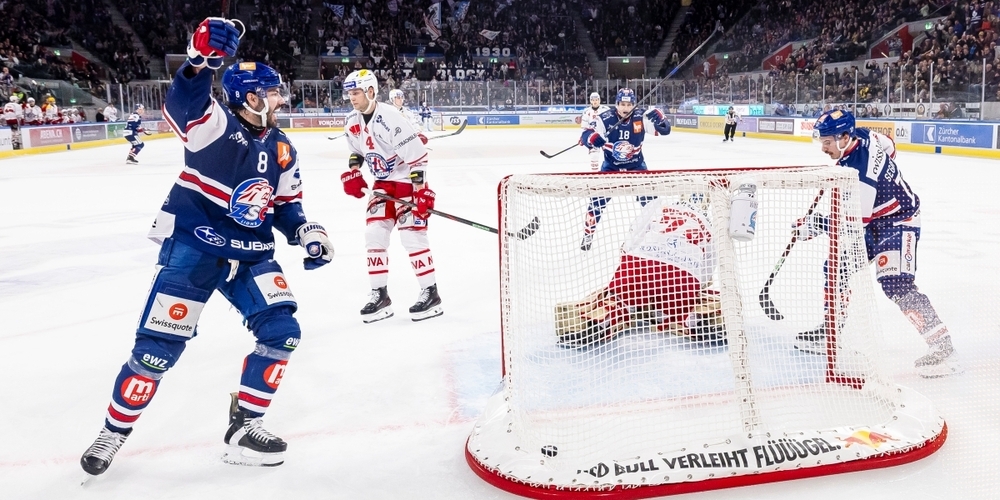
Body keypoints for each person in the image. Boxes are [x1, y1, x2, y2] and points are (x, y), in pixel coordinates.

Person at [79, 17, 334, 478]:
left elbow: (285, 205)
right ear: (251, 98)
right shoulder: (213, 126)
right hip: (196, 246)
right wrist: (198, 63)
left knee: (282, 332)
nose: (281, 98)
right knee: (157, 350)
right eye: (273, 92)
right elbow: (185, 101)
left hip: (252, 252)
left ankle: (244, 426)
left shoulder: (283, 149)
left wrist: (305, 231)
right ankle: (113, 431)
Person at [800, 109, 960, 378]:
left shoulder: (861, 175)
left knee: (896, 282)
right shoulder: (862, 135)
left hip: (899, 221)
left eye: (827, 142)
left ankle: (945, 349)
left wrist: (817, 224)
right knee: (837, 267)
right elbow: (890, 146)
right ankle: (832, 331)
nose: (823, 148)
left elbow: (854, 223)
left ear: (843, 137)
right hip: (875, 219)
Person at [340, 69, 442, 323]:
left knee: (412, 236)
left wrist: (421, 193)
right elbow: (357, 152)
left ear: (371, 91)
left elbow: (417, 157)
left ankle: (431, 293)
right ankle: (380, 294)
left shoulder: (391, 118)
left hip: (407, 182)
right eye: (349, 93)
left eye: (356, 92)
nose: (352, 97)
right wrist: (353, 172)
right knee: (374, 234)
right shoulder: (352, 121)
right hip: (383, 185)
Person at [556, 194, 721, 348]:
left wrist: (625, 262)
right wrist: (695, 287)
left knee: (621, 298)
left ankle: (607, 318)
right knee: (675, 306)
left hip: (640, 268)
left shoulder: (660, 204)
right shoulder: (710, 225)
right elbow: (708, 267)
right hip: (682, 279)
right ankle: (687, 319)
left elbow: (634, 235)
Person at [578, 88, 672, 250]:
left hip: (637, 167)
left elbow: (664, 131)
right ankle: (588, 234)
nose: (625, 108)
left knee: (651, 203)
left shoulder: (641, 117)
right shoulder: (605, 119)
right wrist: (592, 138)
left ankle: (658, 234)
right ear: (617, 104)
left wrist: (663, 119)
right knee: (596, 202)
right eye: (622, 104)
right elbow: (586, 136)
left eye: (629, 104)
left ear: (634, 105)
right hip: (610, 168)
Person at [579, 92, 610, 170]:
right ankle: (595, 173)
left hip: (605, 135)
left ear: (599, 100)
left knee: (610, 153)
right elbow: (584, 127)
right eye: (593, 100)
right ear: (590, 101)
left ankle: (610, 171)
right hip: (593, 137)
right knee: (594, 155)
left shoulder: (606, 110)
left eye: (597, 99)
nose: (595, 101)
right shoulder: (587, 112)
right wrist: (583, 137)